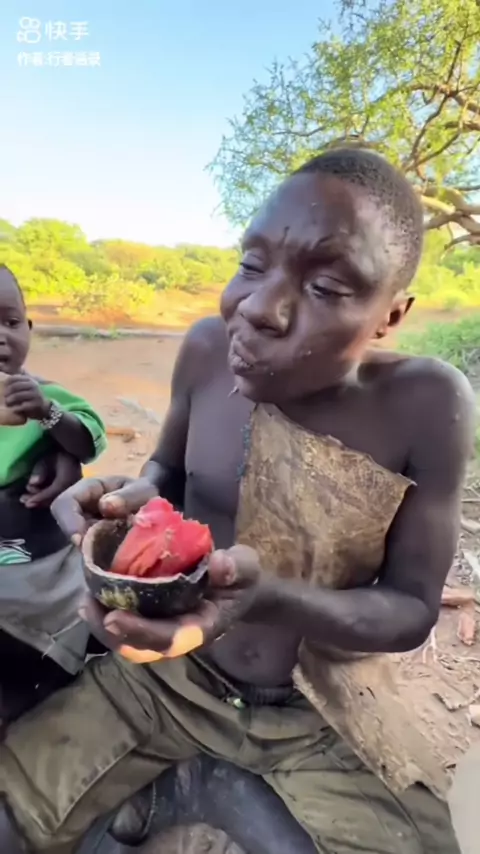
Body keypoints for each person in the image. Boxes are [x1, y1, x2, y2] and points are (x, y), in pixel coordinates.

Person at [0, 149, 475, 854]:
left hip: (323, 714)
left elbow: (410, 609)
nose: (257, 308)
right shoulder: (205, 348)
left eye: (326, 286)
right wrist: (132, 502)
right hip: (167, 683)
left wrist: (266, 598)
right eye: (252, 265)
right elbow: (165, 469)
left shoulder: (427, 404)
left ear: (390, 315)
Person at [0, 265, 107, 723]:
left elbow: (88, 439)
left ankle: (39, 688)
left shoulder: (45, 394)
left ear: (28, 327)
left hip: (37, 558)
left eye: (10, 322)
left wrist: (48, 414)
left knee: (62, 621)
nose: (1, 337)